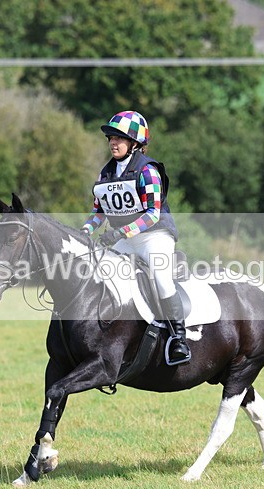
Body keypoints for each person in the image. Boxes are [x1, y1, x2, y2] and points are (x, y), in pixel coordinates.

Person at [81, 110, 191, 365]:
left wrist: (120, 232)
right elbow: (98, 212)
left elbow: (152, 214)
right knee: (98, 272)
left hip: (154, 236)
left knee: (162, 279)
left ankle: (179, 339)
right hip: (123, 239)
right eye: (111, 137)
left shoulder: (148, 171)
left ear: (135, 143)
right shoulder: (105, 174)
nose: (112, 142)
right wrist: (85, 231)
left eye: (119, 138)